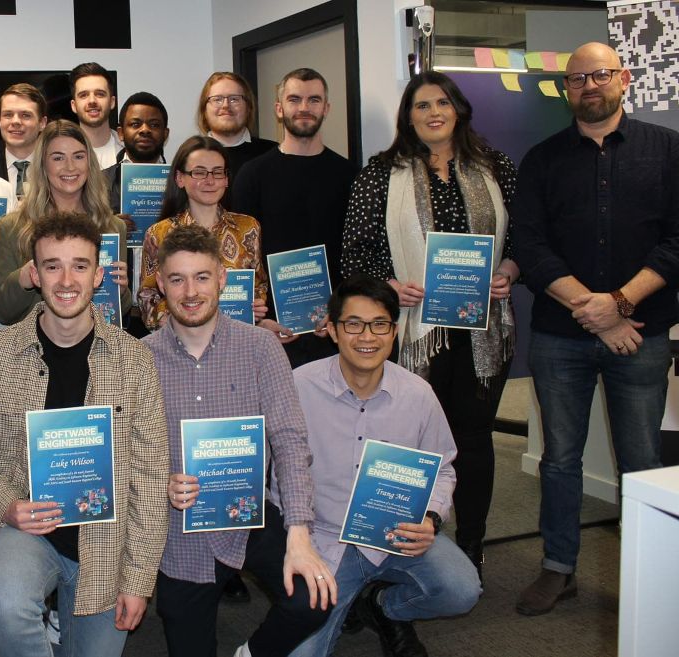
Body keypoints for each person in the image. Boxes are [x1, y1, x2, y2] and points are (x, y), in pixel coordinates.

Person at [0, 211, 169, 657]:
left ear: (99, 275)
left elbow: (149, 478)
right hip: (27, 529)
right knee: (4, 602)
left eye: (80, 265)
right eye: (52, 266)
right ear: (34, 273)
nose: (66, 279)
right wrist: (6, 506)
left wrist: (138, 581)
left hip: (108, 541)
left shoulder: (134, 360)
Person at [512, 41, 679, 616]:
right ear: (566, 90)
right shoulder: (541, 159)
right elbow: (530, 245)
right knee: (560, 460)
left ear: (624, 78)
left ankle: (649, 570)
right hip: (562, 336)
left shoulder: (668, 150)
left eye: (600, 75)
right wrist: (596, 310)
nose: (588, 86)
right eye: (576, 79)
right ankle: (559, 569)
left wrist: (622, 302)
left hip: (643, 332)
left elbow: (677, 241)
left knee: (641, 458)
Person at [341, 71, 518, 580]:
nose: (433, 112)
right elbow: (355, 251)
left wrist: (509, 269)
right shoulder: (381, 173)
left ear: (458, 109)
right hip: (417, 335)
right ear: (409, 116)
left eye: (442, 102)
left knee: (475, 437)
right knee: (406, 441)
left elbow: (523, 237)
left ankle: (472, 543)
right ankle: (392, 547)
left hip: (483, 332)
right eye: (422, 105)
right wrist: (389, 286)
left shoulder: (496, 167)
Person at [143, 224, 334, 657]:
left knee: (312, 599)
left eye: (202, 277)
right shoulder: (140, 358)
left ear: (223, 279)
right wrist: (161, 483)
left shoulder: (261, 348)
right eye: (177, 279)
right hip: (179, 528)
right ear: (161, 284)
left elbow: (289, 442)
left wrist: (300, 535)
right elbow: (123, 454)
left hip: (248, 513)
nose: (190, 291)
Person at [289, 274, 480, 657]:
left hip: (397, 535)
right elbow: (271, 469)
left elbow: (443, 467)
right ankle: (345, 601)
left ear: (393, 333)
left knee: (463, 589)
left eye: (379, 325)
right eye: (354, 324)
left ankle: (381, 606)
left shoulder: (418, 394)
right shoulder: (297, 387)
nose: (367, 337)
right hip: (326, 540)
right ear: (332, 330)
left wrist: (431, 518)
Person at [233, 68, 359, 367]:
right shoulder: (252, 175)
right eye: (294, 99)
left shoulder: (350, 175)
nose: (304, 108)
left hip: (333, 327)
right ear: (279, 109)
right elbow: (240, 255)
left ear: (326, 108)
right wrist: (256, 319)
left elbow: (356, 254)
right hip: (270, 328)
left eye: (314, 100)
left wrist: (343, 311)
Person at [0, 119, 130, 325]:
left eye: (79, 156)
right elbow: (2, 311)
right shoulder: (13, 228)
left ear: (89, 163)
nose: (70, 167)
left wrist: (122, 290)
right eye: (58, 158)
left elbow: (117, 313)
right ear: (42, 165)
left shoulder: (113, 228)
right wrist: (25, 277)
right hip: (33, 349)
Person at [138, 136, 266, 330]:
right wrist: (182, 310)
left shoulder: (248, 227)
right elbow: (147, 298)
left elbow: (260, 285)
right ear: (180, 179)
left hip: (238, 340)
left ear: (226, 179)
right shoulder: (159, 234)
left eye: (217, 172)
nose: (210, 181)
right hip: (181, 342)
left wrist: (257, 306)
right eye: (199, 173)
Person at [196, 71, 278, 203]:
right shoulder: (190, 156)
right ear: (204, 110)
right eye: (217, 99)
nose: (225, 105)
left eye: (234, 99)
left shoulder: (273, 153)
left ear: (248, 107)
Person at [104, 91, 170, 214]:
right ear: (121, 133)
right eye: (135, 124)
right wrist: (110, 225)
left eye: (154, 125)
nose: (145, 130)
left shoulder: (181, 182)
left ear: (165, 134)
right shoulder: (99, 182)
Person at [0, 83, 48, 198]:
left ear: (42, 123)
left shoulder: (57, 169)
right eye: (8, 115)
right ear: (0, 121)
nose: (15, 121)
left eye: (25, 115)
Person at [69, 62, 122, 169]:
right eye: (83, 95)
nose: (92, 101)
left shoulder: (130, 150)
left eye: (100, 94)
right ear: (74, 106)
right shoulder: (57, 153)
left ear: (112, 102)